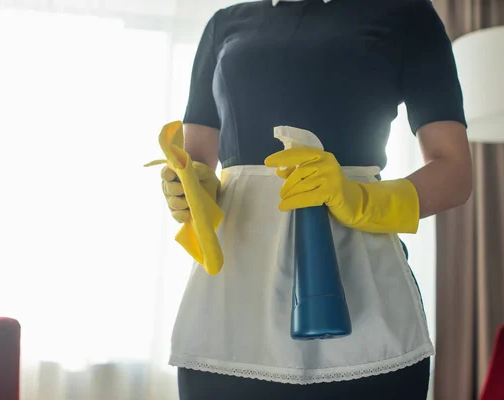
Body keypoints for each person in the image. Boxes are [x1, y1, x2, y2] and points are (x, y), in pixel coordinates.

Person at [159, 0, 472, 398]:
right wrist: (189, 186)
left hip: (363, 288)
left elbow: (455, 171)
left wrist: (362, 200)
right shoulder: (224, 25)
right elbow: (197, 157)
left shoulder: (405, 14)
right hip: (233, 299)